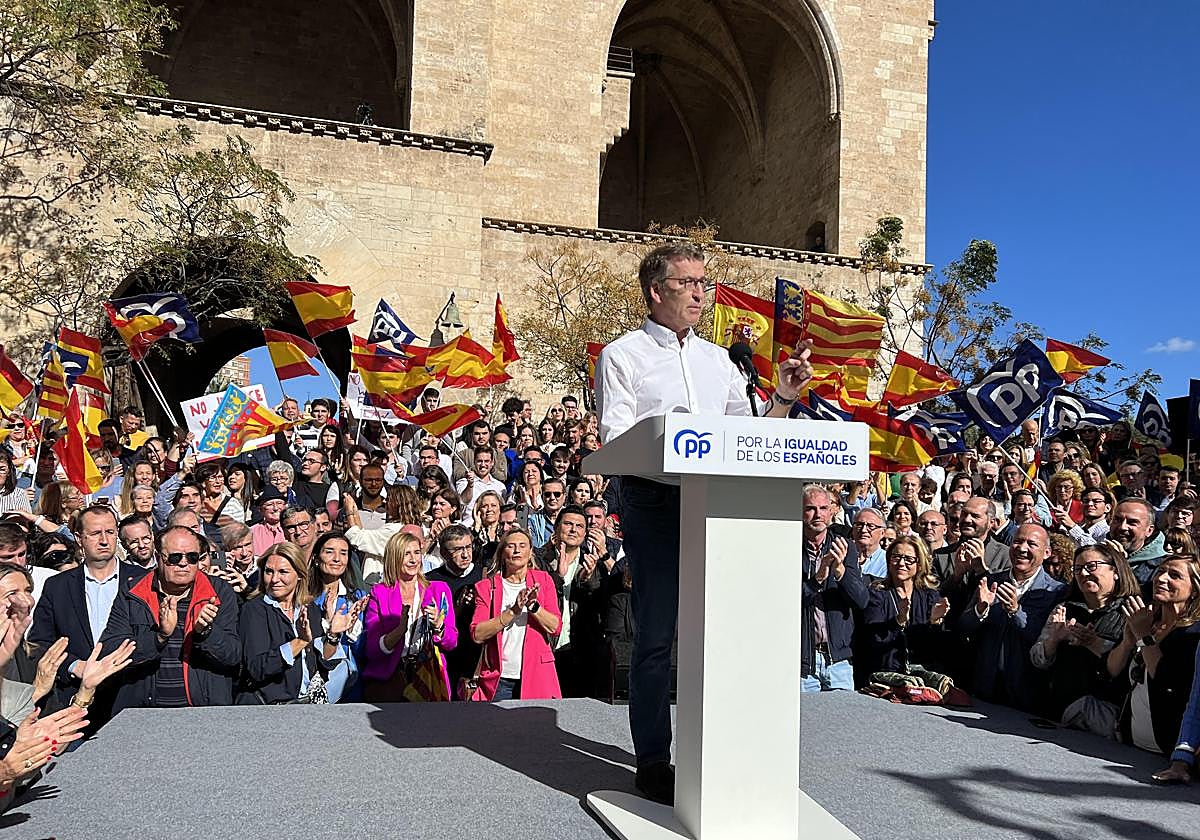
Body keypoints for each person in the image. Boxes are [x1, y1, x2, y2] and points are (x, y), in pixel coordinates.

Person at [594, 241, 814, 804]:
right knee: (657, 634)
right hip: (655, 501)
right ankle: (653, 759)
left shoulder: (721, 361)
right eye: (687, 283)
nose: (700, 293)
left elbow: (753, 437)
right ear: (655, 291)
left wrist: (784, 396)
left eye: (704, 283)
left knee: (722, 631)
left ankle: (718, 751)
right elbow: (615, 437)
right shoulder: (622, 355)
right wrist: (674, 439)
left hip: (720, 503)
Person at [99, 525, 240, 711]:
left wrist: (206, 632)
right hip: (143, 711)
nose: (184, 563)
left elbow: (233, 656)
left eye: (192, 557)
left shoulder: (219, 591)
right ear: (158, 557)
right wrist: (159, 637)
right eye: (175, 557)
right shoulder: (134, 592)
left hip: (203, 710)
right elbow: (110, 652)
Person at [28, 505, 145, 730]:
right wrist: (74, 666)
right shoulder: (57, 586)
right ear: (78, 538)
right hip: (75, 699)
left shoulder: (143, 580)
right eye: (95, 533)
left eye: (110, 532)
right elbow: (39, 643)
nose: (104, 540)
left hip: (131, 695)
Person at [958, 523, 1067, 711]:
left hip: (1025, 696)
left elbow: (1044, 641)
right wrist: (980, 610)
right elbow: (963, 627)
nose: (1022, 549)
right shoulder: (992, 582)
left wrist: (1015, 612)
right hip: (984, 688)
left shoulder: (1055, 592)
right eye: (1017, 541)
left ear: (1047, 553)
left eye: (1031, 544)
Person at [1030, 543, 1137, 733]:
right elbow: (1037, 660)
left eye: (1092, 566)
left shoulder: (1131, 613)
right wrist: (1053, 641)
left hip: (1107, 719)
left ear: (1116, 571)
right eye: (1078, 569)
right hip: (1059, 715)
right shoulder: (1064, 609)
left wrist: (1095, 643)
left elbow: (1132, 669)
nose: (1084, 573)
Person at [237, 541, 358, 704]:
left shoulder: (310, 609)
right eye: (269, 571)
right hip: (269, 708)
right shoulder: (253, 610)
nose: (274, 579)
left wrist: (333, 636)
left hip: (305, 705)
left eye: (283, 572)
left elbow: (323, 664)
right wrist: (298, 642)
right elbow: (256, 668)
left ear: (299, 574)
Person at [1107, 554, 1200, 757]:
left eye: (1174, 575)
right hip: (1127, 742)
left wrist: (1144, 636)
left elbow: (1168, 682)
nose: (1162, 578)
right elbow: (1112, 670)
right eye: (1160, 571)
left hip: (1164, 749)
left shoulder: (1193, 634)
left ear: (1194, 589)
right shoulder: (1147, 620)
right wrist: (1127, 642)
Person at [361, 531, 457, 701]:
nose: (414, 560)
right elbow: (372, 649)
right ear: (394, 558)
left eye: (417, 552)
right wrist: (398, 632)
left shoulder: (439, 590)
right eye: (406, 554)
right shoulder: (380, 593)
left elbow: (451, 642)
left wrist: (439, 626)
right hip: (391, 679)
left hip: (430, 678)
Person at [469, 528, 562, 702]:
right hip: (500, 678)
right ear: (502, 552)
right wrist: (512, 612)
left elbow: (555, 627)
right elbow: (477, 634)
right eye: (511, 546)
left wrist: (534, 607)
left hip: (538, 674)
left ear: (530, 551)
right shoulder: (486, 587)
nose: (517, 550)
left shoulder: (543, 580)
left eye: (522, 545)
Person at [857, 537, 951, 688]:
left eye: (908, 559)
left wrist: (934, 622)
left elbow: (934, 648)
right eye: (896, 557)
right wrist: (898, 621)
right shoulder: (877, 593)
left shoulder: (930, 596)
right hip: (885, 677)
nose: (901, 563)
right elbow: (873, 640)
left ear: (919, 564)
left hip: (921, 678)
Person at [307, 532, 370, 703]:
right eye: (329, 552)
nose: (337, 559)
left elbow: (361, 650)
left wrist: (351, 629)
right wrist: (328, 625)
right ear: (316, 558)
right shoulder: (305, 597)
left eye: (343, 553)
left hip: (349, 683)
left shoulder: (356, 597)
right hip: (314, 681)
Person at [426, 525, 484, 693]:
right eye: (458, 549)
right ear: (444, 553)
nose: (465, 554)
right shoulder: (431, 580)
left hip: (477, 657)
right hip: (444, 659)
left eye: (468, 547)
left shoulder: (485, 576)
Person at [1110, 498, 1166, 583]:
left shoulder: (1161, 568)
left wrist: (1121, 564)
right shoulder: (1096, 554)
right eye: (1117, 520)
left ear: (1149, 530)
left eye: (1132, 522)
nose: (1122, 527)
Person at [851, 507, 888, 579]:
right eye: (859, 525)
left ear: (882, 533)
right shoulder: (842, 556)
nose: (863, 530)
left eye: (871, 526)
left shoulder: (888, 562)